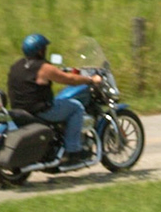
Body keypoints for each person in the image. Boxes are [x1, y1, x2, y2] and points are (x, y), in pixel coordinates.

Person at [7, 33, 103, 167]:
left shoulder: (16, 66)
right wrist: (90, 80)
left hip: (20, 110)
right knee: (76, 107)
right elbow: (69, 79)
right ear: (41, 50)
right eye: (44, 48)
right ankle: (73, 151)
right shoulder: (43, 68)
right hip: (41, 110)